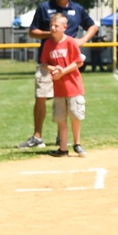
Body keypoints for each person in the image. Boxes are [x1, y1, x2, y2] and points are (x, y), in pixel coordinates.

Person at [17, 0, 97, 149]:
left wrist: (82, 41)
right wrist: (52, 34)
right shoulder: (45, 8)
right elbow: (32, 32)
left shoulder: (77, 9)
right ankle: (37, 136)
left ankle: (63, 138)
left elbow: (93, 26)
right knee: (41, 96)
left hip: (68, 65)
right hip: (48, 61)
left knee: (67, 100)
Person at [41, 13, 87, 157]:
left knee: (75, 116)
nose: (53, 28)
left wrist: (63, 71)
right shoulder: (48, 44)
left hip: (73, 86)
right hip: (59, 89)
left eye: (56, 25)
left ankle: (77, 144)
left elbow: (79, 62)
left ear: (64, 27)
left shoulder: (71, 42)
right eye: (51, 25)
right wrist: (53, 69)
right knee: (61, 119)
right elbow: (44, 63)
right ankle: (63, 148)